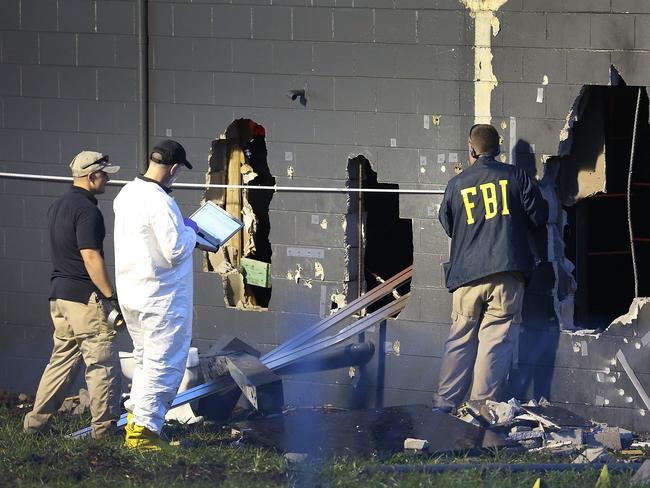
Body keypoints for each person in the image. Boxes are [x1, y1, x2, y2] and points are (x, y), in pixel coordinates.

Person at [432, 124, 548, 412]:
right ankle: (479, 410)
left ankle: (443, 406)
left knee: (459, 338)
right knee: (494, 341)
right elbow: (540, 216)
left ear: (472, 149)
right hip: (506, 274)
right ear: (498, 149)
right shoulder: (517, 176)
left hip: (466, 276)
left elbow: (448, 224)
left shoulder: (456, 184)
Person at [24, 151, 122, 438]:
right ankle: (104, 431)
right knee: (101, 361)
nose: (107, 179)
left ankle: (34, 425)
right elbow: (90, 256)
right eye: (104, 174)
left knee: (61, 360)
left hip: (60, 297)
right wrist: (109, 296)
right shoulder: (88, 210)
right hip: (84, 298)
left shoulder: (57, 206)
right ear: (91, 177)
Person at [113, 139, 198, 451]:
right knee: (163, 363)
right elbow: (175, 251)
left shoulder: (127, 193)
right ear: (173, 168)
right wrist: (191, 231)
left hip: (133, 293)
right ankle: (143, 434)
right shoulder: (161, 201)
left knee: (145, 360)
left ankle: (136, 422)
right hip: (161, 298)